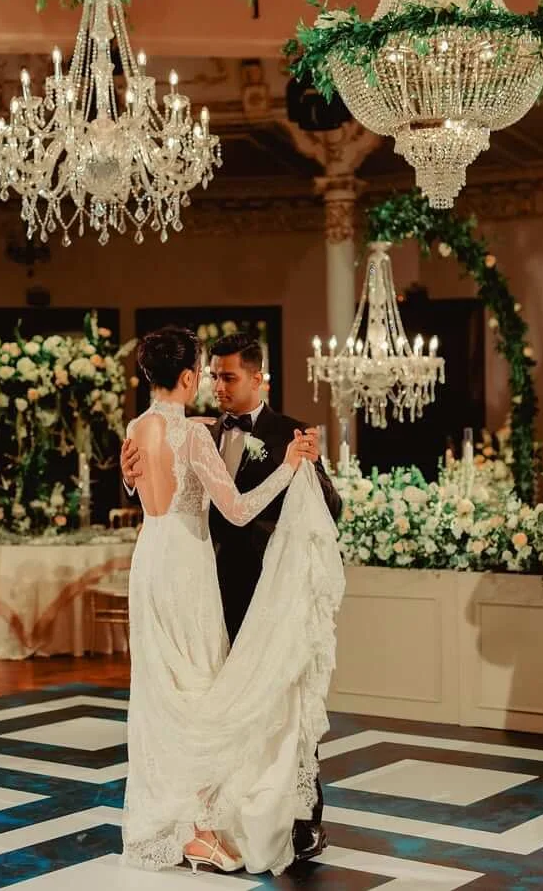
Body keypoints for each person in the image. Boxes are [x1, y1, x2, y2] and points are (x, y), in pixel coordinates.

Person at [121, 327, 345, 877]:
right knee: (201, 693)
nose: (215, 385)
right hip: (192, 569)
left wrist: (130, 480)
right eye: (208, 373)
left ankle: (182, 819)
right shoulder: (197, 435)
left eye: (227, 376)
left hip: (151, 561)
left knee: (162, 692)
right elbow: (239, 510)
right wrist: (287, 468)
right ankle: (199, 828)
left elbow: (146, 479)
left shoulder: (137, 427)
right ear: (189, 376)